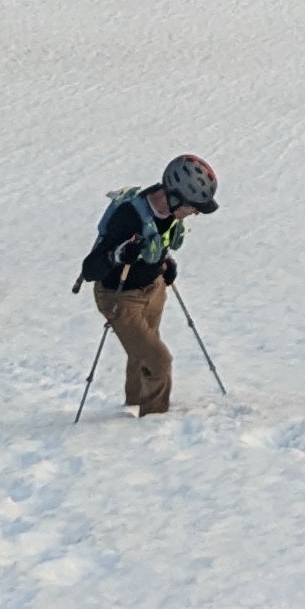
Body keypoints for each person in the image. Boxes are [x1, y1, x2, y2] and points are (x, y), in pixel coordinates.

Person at [75, 154, 217, 414]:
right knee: (158, 362)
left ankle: (134, 406)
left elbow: (158, 240)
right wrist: (117, 255)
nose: (196, 212)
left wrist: (165, 263)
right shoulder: (128, 216)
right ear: (175, 197)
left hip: (154, 288)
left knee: (142, 353)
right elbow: (90, 268)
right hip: (120, 297)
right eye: (194, 206)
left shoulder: (170, 211)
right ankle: (153, 422)